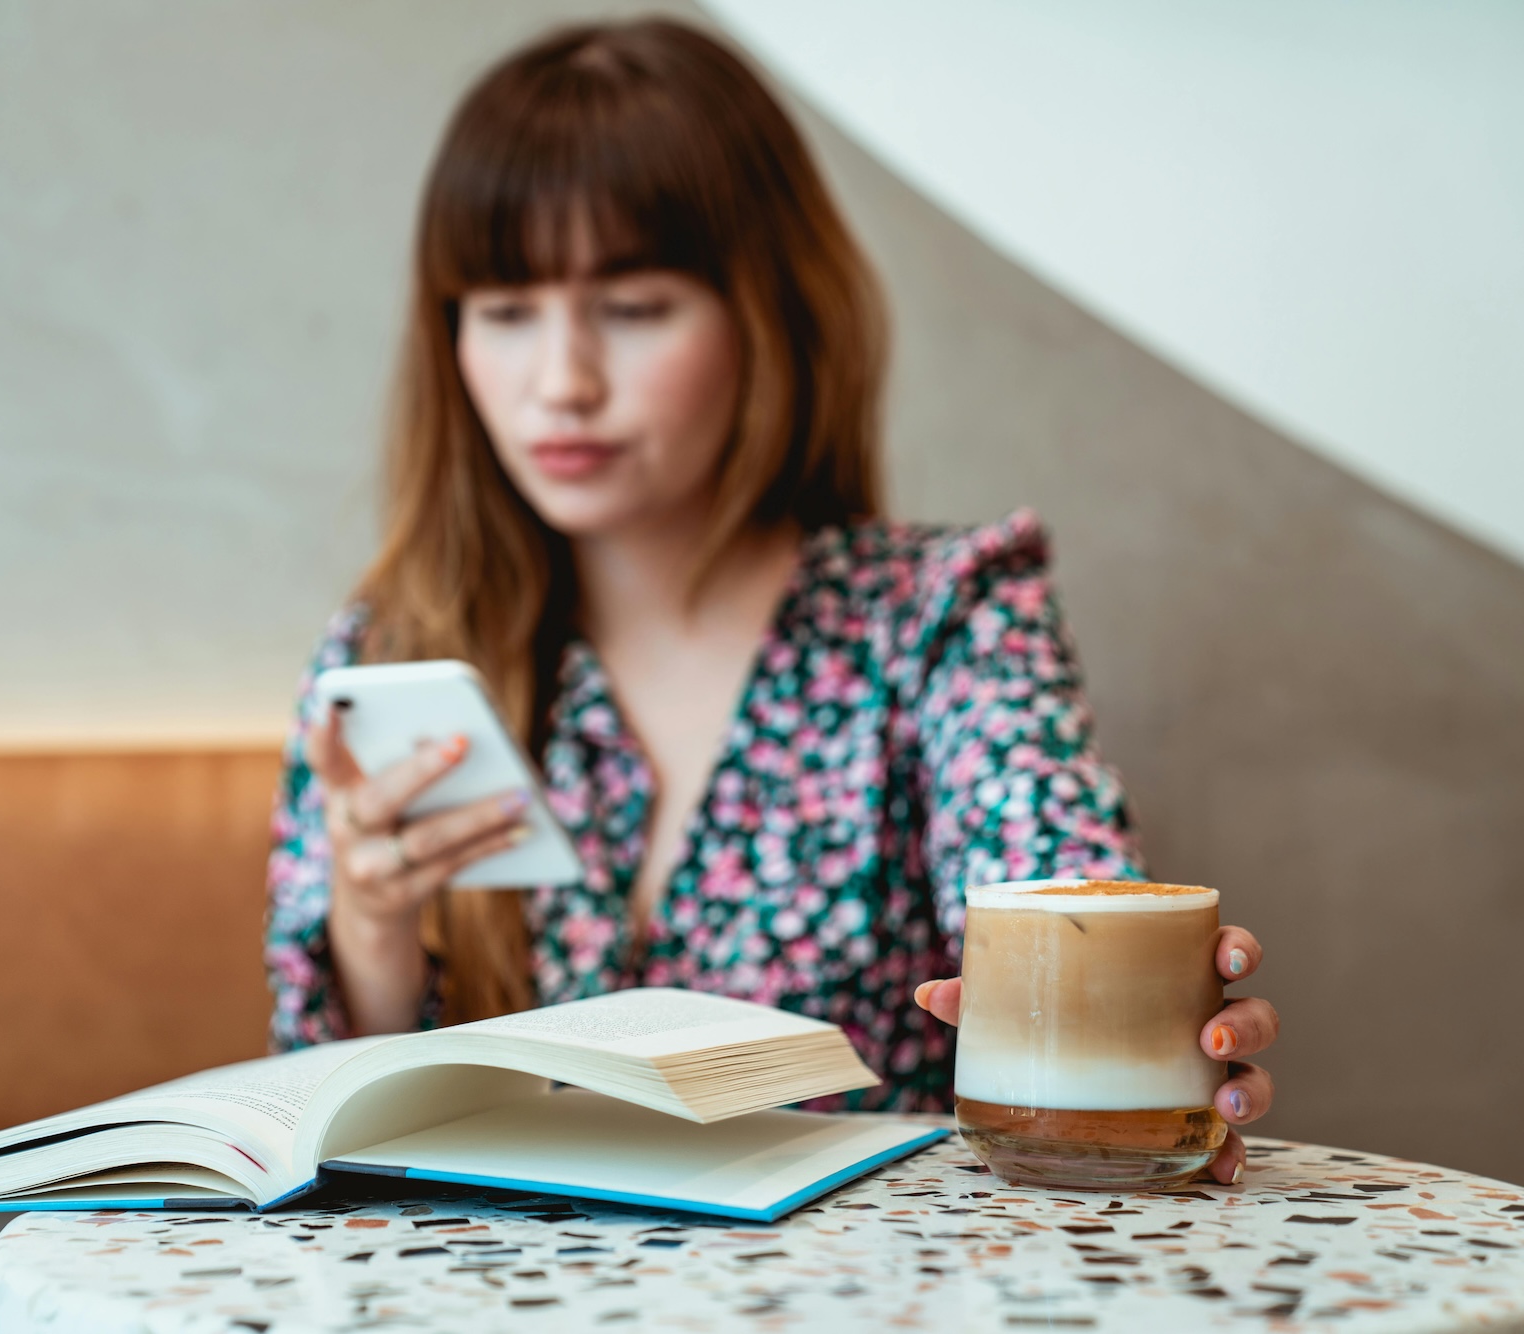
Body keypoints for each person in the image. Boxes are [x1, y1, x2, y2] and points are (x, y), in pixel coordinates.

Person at [263, 18, 1277, 1183]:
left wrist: (1150, 1028)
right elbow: (329, 1153)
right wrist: (373, 923)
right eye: (502, 310)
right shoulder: (393, 656)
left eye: (633, 305)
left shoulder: (943, 620)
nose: (559, 381)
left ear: (768, 313)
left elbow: (1062, 883)